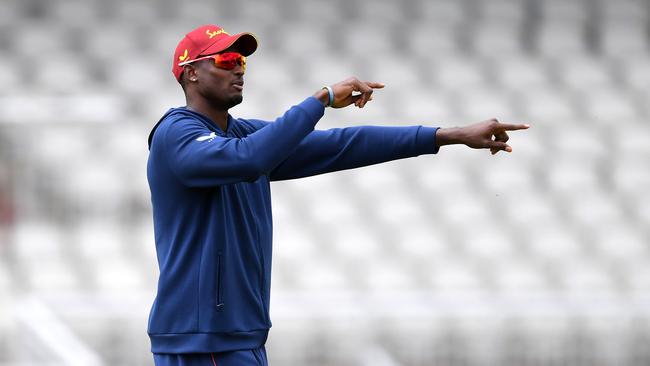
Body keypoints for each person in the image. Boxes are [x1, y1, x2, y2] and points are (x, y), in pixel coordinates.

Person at [146, 24, 529, 366]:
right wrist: (320, 100)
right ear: (191, 72)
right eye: (227, 59)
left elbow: (341, 144)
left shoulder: (240, 134)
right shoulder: (176, 134)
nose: (239, 68)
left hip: (235, 336)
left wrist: (447, 135)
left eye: (243, 62)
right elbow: (249, 159)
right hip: (203, 340)